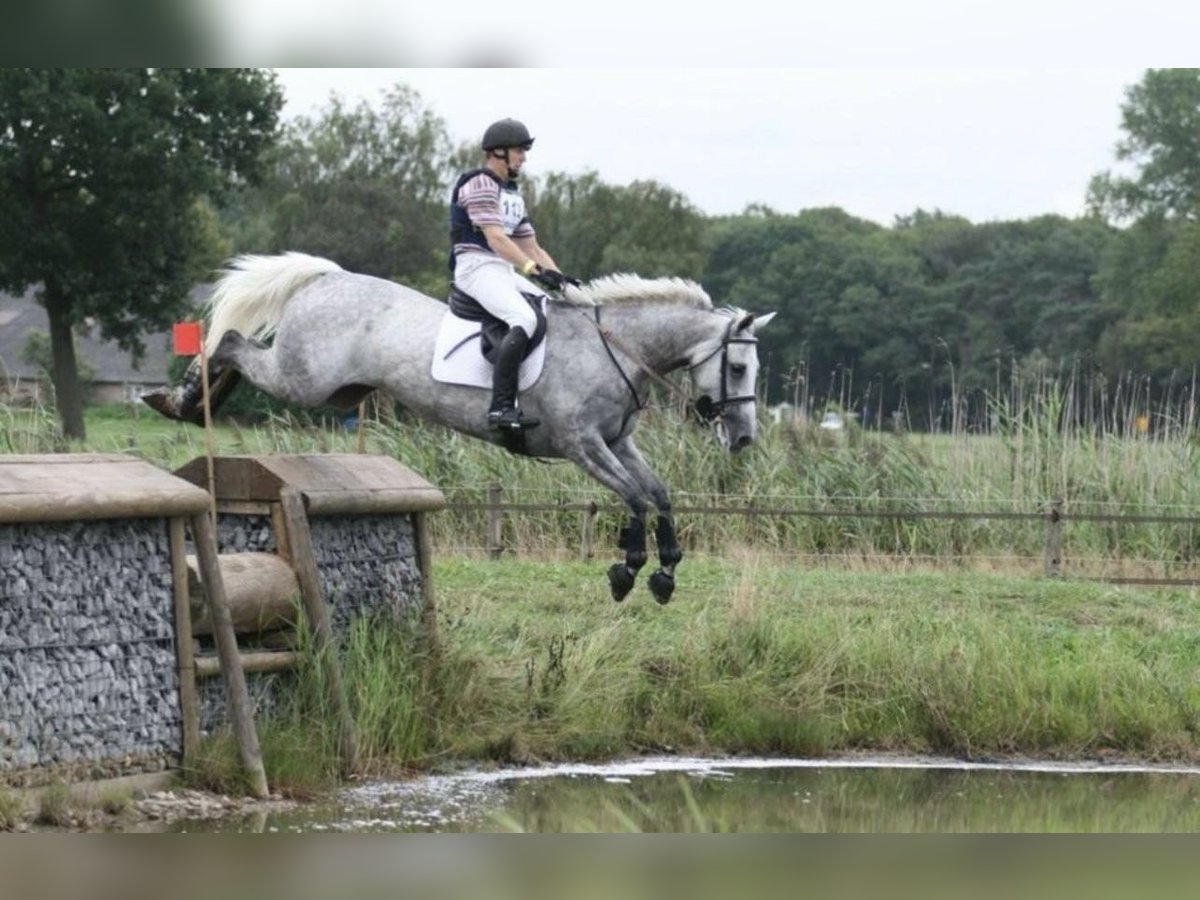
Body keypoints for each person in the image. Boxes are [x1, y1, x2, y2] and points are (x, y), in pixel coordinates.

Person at [449, 117, 576, 432]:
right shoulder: (479, 184)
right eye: (519, 150)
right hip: (475, 265)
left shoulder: (512, 196)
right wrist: (534, 271)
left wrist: (561, 280)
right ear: (499, 152)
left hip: (501, 268)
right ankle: (500, 408)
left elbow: (532, 247)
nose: (524, 157)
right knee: (525, 318)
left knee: (551, 304)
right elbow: (496, 239)